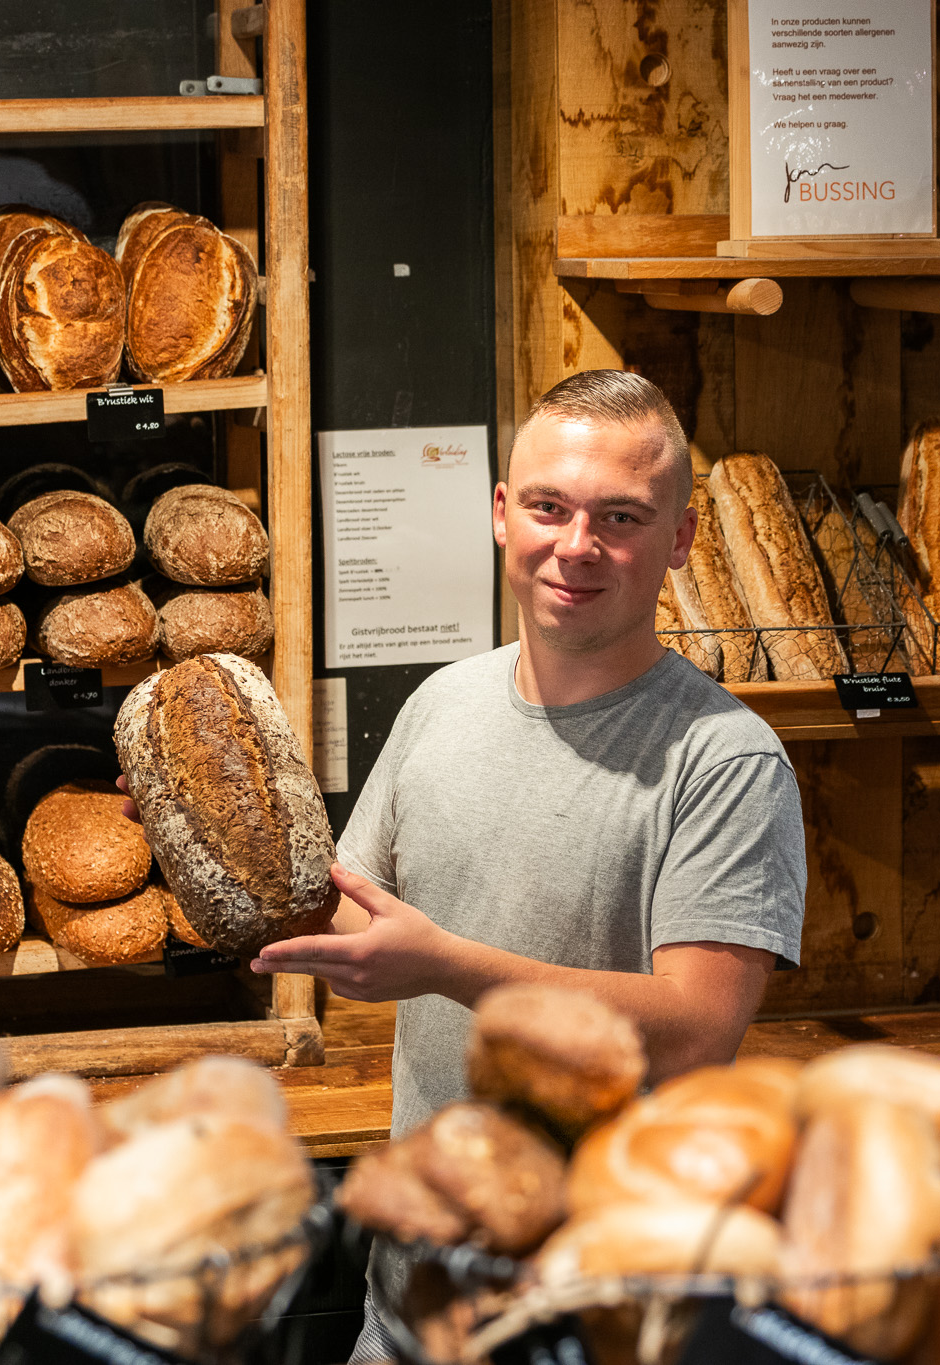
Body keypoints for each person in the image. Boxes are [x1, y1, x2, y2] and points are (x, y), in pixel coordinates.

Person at [253, 370, 807, 1354]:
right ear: (503, 514)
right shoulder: (443, 703)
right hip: (411, 1303)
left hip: (598, 1317)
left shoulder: (726, 759)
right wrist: (217, 847)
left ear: (677, 540)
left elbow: (694, 1029)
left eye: (620, 517)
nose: (576, 546)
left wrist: (443, 965)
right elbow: (353, 919)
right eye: (549, 507)